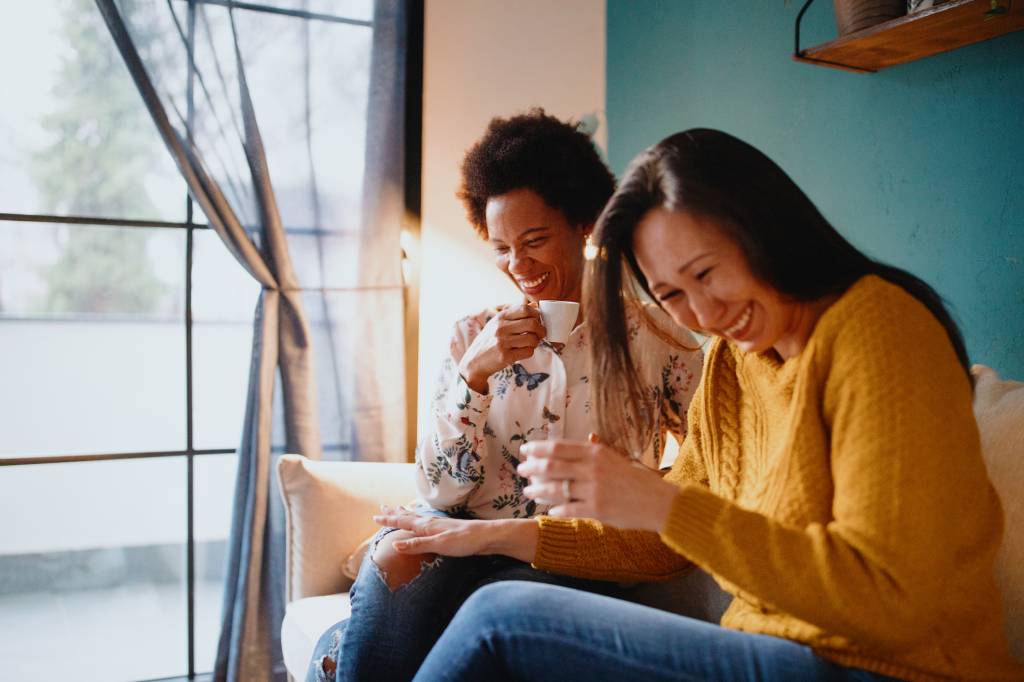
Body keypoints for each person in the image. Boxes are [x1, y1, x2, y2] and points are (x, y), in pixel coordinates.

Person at [379, 129, 1024, 681]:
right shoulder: (730, 363)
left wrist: (661, 502)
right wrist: (483, 535)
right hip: (768, 649)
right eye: (674, 294)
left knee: (500, 619)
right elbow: (661, 546)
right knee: (447, 590)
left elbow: (891, 601)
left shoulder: (876, 329)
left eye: (707, 273)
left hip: (891, 668)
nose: (706, 314)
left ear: (762, 227)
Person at [305, 110, 705, 682]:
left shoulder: (657, 338)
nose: (518, 265)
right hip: (462, 530)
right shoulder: (472, 335)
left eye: (535, 240)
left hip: (566, 549)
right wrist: (473, 376)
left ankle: (337, 655)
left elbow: (714, 448)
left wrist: (644, 487)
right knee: (393, 557)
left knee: (491, 606)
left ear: (585, 225)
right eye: (501, 247)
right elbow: (439, 490)